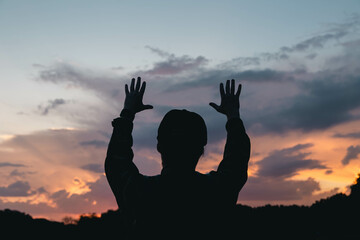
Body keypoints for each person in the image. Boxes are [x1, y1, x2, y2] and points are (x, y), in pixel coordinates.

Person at [105, 77, 250, 239]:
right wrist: (233, 116)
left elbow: (116, 162)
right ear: (201, 150)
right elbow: (236, 161)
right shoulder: (217, 190)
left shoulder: (140, 191)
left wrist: (127, 114)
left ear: (159, 146)